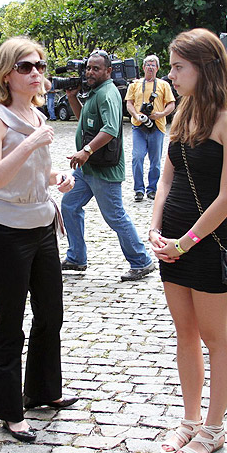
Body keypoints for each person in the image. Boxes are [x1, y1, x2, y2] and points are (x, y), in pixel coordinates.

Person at [149, 28, 227, 453]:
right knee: (184, 333)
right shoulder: (182, 113)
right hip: (171, 241)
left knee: (214, 335)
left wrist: (185, 242)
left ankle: (214, 426)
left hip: (205, 243)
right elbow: (166, 178)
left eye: (177, 67)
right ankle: (190, 420)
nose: (171, 75)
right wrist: (155, 227)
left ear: (204, 68)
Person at [0, 36, 78, 442]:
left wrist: (58, 179)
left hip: (42, 226)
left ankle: (42, 391)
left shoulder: (37, 115)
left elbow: (35, 174)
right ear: (7, 73)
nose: (36, 72)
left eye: (39, 65)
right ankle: (9, 409)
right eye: (25, 66)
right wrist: (34, 143)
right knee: (9, 322)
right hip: (8, 232)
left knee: (51, 313)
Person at [61, 50, 156, 282]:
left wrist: (86, 151)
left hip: (103, 169)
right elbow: (85, 118)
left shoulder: (107, 94)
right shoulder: (95, 92)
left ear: (108, 71)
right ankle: (76, 258)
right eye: (88, 68)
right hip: (87, 169)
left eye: (96, 68)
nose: (90, 72)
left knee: (115, 216)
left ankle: (141, 261)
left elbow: (111, 128)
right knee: (69, 206)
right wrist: (72, 97)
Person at [125, 54, 176, 202]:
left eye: (153, 65)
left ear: (158, 68)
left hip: (157, 126)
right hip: (139, 126)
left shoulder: (164, 85)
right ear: (143, 67)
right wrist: (135, 115)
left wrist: (161, 114)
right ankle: (139, 189)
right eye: (148, 65)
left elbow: (171, 104)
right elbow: (129, 103)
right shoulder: (135, 84)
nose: (150, 68)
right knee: (137, 157)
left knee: (155, 161)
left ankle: (152, 189)